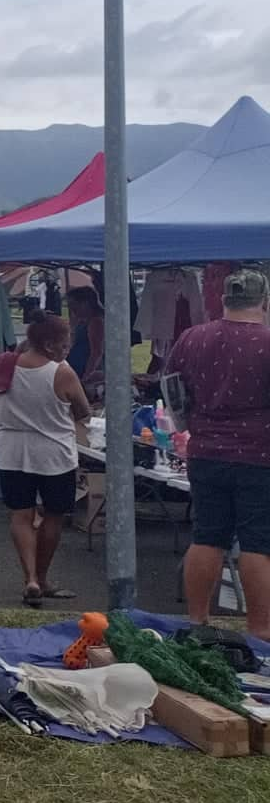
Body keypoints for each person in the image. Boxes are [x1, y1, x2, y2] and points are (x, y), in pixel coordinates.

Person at [170, 269, 270, 639]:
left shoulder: (192, 338)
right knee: (258, 543)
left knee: (207, 536)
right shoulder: (267, 341)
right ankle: (260, 630)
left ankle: (198, 621)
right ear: (264, 302)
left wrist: (193, 425)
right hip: (259, 457)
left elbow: (174, 392)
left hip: (205, 452)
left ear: (223, 300)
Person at [0, 314, 93, 609]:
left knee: (20, 515)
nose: (67, 348)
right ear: (49, 344)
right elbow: (83, 410)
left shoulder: (3, 363)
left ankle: (30, 577)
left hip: (12, 449)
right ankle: (44, 577)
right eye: (64, 343)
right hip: (54, 452)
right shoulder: (62, 371)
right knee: (53, 515)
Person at [65, 285, 105, 388]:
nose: (72, 309)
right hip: (78, 367)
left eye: (74, 305)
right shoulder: (83, 320)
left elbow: (97, 352)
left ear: (86, 303)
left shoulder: (96, 321)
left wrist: (87, 376)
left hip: (86, 370)